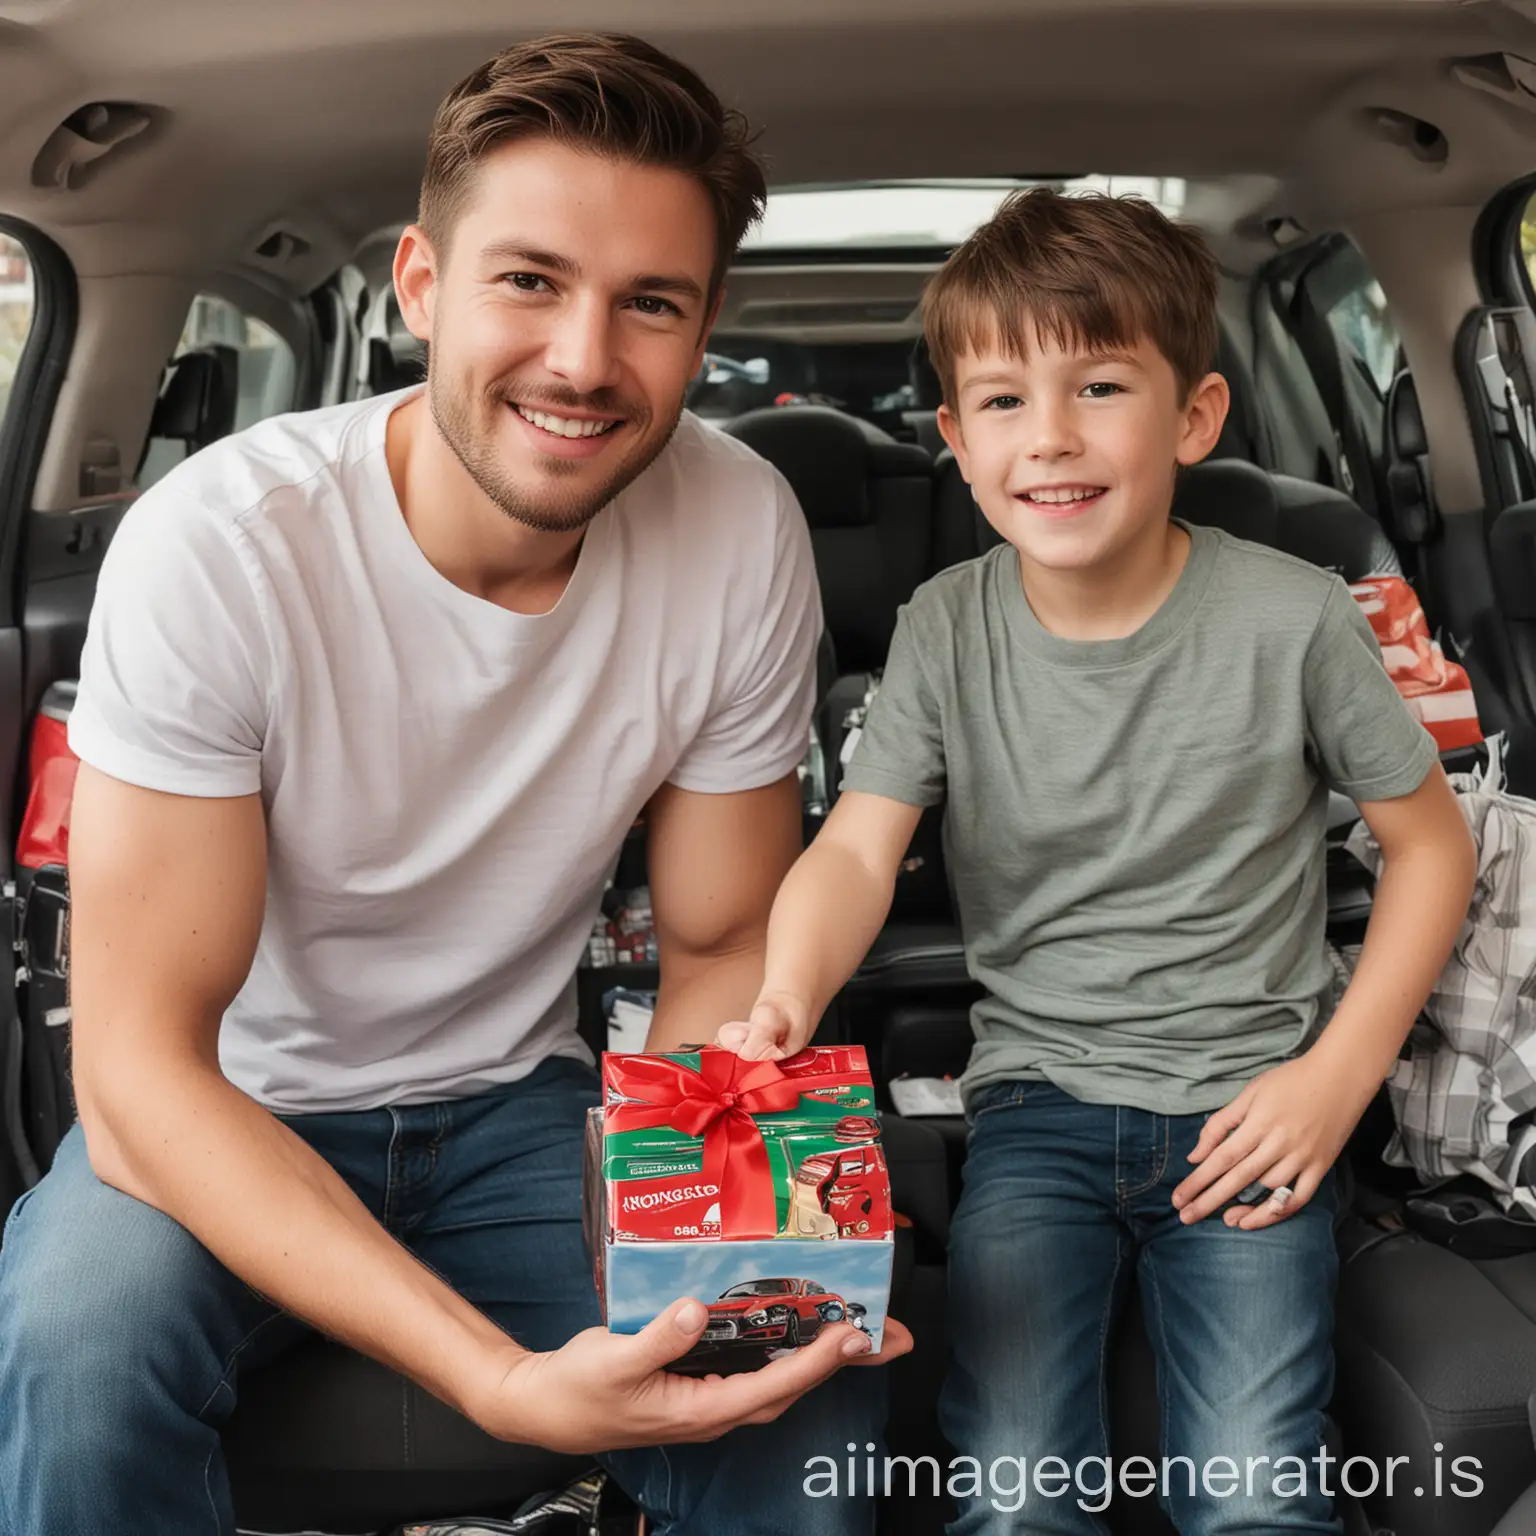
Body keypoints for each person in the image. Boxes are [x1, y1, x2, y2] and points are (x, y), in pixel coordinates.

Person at [0, 32, 908, 1536]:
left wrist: (720, 1244)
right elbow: (142, 1071)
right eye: (530, 280)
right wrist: (498, 1379)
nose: (583, 359)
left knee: (795, 1376)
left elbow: (721, 945)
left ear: (706, 326)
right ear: (422, 284)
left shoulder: (743, 529)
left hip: (520, 1103)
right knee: (75, 1356)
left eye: (650, 305)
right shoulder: (224, 548)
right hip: (234, 1109)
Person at [719, 189, 1477, 1534]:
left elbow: (1428, 846)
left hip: (1258, 1112)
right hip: (1035, 1114)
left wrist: (1334, 1077)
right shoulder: (947, 626)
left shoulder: (1292, 616)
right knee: (1014, 1502)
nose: (1051, 438)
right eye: (1003, 402)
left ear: (1194, 416)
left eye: (1100, 385)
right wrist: (785, 992)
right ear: (953, 439)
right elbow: (855, 847)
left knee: (1255, 1496)